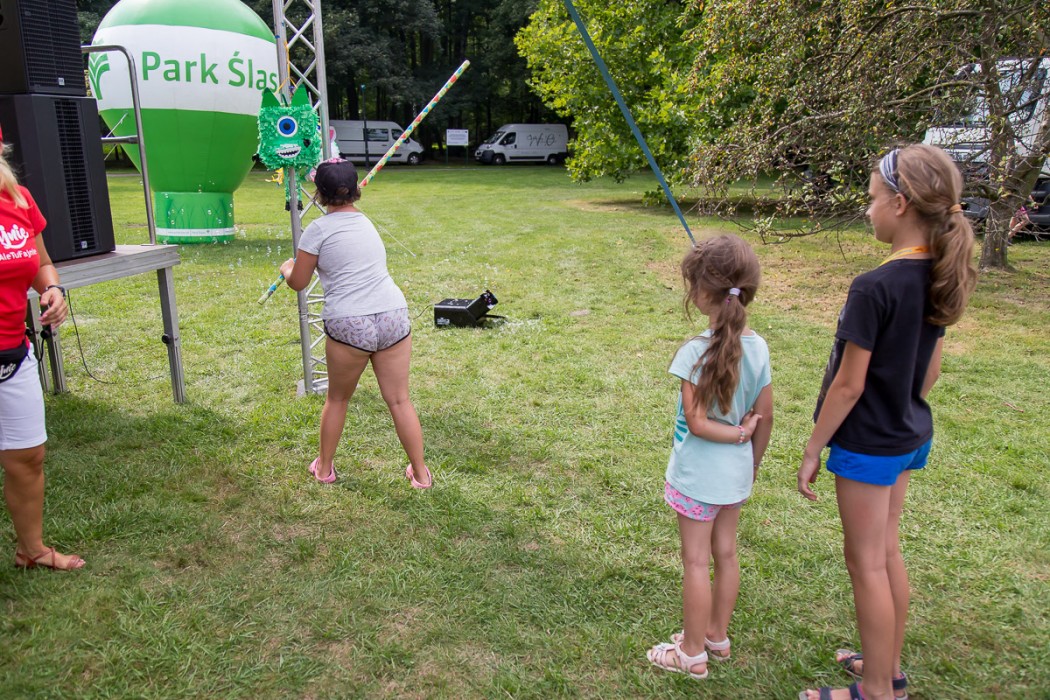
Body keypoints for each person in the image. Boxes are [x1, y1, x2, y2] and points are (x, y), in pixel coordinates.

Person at [798, 145, 977, 700]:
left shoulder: (873, 286)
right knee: (886, 551)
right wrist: (900, 407)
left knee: (867, 564)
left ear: (900, 205)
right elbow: (930, 371)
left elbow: (848, 385)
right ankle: (887, 667)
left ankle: (877, 689)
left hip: (869, 446)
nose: (868, 208)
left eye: (873, 198)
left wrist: (813, 447)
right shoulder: (937, 274)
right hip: (908, 435)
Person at [646, 234, 773, 681]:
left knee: (697, 562)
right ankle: (717, 636)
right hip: (735, 478)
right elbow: (766, 416)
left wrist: (738, 434)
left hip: (697, 478)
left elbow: (698, 424)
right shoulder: (760, 348)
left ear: (702, 293)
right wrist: (750, 462)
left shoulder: (693, 352)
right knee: (727, 554)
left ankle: (692, 653)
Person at [279, 158, 431, 489]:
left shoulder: (317, 230)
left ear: (319, 194)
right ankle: (421, 475)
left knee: (337, 399)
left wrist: (287, 268)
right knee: (399, 400)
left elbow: (299, 282)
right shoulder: (366, 223)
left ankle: (324, 470)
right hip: (392, 314)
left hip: (350, 322)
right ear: (355, 190)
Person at [0, 126, 84, 570]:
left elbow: (43, 263)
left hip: (13, 355)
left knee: (28, 457)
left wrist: (52, 289)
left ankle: (31, 550)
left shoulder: (18, 200)